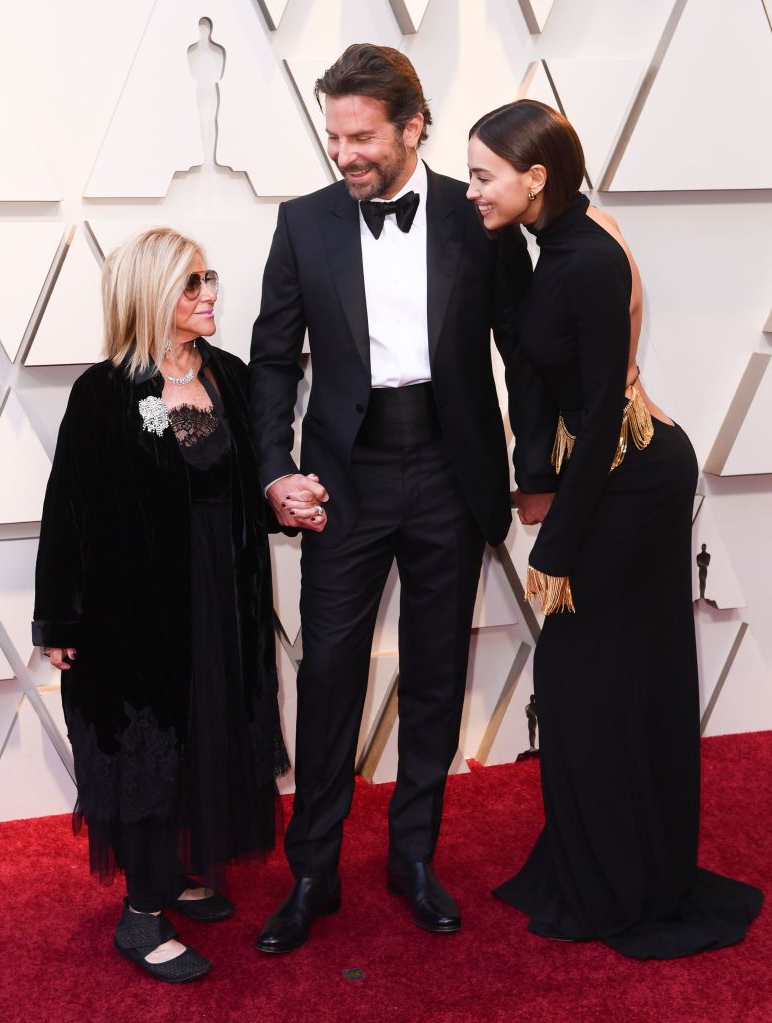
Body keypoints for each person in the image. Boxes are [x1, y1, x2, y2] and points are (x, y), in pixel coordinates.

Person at [249, 44, 553, 953]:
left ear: (413, 127)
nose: (344, 154)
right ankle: (313, 871)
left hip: (451, 472)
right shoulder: (303, 224)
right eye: (334, 136)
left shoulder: (477, 216)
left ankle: (412, 856)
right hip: (345, 477)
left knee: (433, 675)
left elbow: (524, 349)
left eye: (362, 136)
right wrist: (273, 470)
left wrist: (533, 472)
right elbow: (271, 362)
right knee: (332, 673)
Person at [467, 99, 763, 958]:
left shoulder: (588, 258)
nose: (473, 190)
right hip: (607, 479)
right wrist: (539, 483)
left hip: (631, 485)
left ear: (536, 179)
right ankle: (600, 862)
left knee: (602, 682)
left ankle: (626, 877)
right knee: (593, 687)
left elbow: (598, 415)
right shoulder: (551, 243)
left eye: (485, 177)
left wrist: (555, 544)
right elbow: (530, 353)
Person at [32, 227, 288, 982]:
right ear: (151, 296)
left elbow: (233, 478)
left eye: (208, 277)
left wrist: (290, 494)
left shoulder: (230, 378)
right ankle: (141, 913)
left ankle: (176, 874)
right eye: (190, 284)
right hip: (135, 619)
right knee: (148, 748)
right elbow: (67, 510)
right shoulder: (106, 393)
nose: (209, 293)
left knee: (209, 735)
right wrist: (59, 620)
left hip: (222, 602)